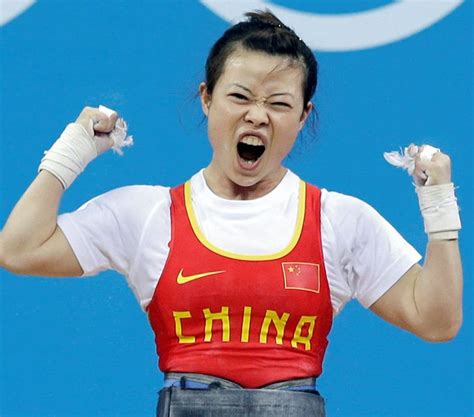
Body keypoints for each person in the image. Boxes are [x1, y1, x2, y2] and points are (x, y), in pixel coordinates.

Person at [0, 10, 463, 417]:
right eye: (240, 97)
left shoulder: (341, 221)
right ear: (207, 98)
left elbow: (437, 319)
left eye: (279, 104)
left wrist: (439, 207)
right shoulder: (145, 214)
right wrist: (70, 153)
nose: (258, 116)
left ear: (303, 117)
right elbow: (19, 249)